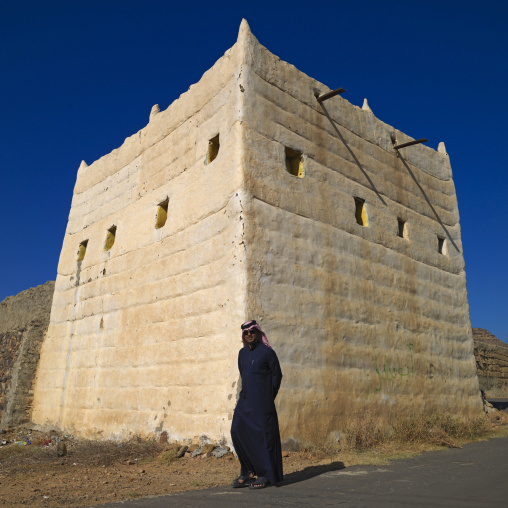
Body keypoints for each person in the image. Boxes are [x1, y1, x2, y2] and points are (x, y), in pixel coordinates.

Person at [230, 320, 283, 489]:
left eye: (252, 331)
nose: (249, 334)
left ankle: (266, 474)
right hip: (245, 401)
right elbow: (244, 374)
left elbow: (277, 376)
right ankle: (248, 471)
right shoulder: (242, 353)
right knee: (237, 430)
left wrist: (268, 396)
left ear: (259, 333)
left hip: (262, 403)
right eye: (246, 332)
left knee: (263, 437)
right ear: (243, 336)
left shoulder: (268, 353)